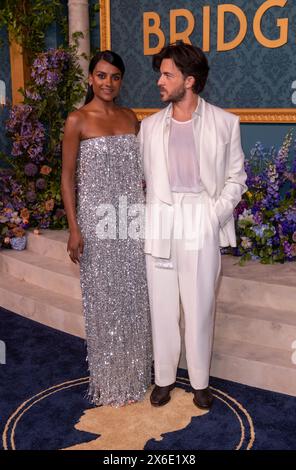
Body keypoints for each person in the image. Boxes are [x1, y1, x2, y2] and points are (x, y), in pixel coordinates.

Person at [139, 43, 247, 410]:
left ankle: (200, 382)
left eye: (167, 74)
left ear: (190, 80)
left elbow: (236, 178)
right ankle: (164, 379)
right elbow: (145, 178)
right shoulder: (150, 127)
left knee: (200, 306)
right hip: (162, 221)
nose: (160, 81)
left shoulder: (224, 122)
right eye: (161, 73)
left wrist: (213, 215)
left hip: (201, 218)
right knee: (163, 305)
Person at [61, 50, 152, 407]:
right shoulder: (77, 120)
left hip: (131, 222)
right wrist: (73, 227)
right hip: (96, 226)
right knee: (103, 302)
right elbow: (67, 179)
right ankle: (110, 381)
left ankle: (136, 375)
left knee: (133, 300)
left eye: (115, 77)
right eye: (101, 75)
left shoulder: (132, 118)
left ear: (121, 81)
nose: (108, 83)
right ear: (90, 79)